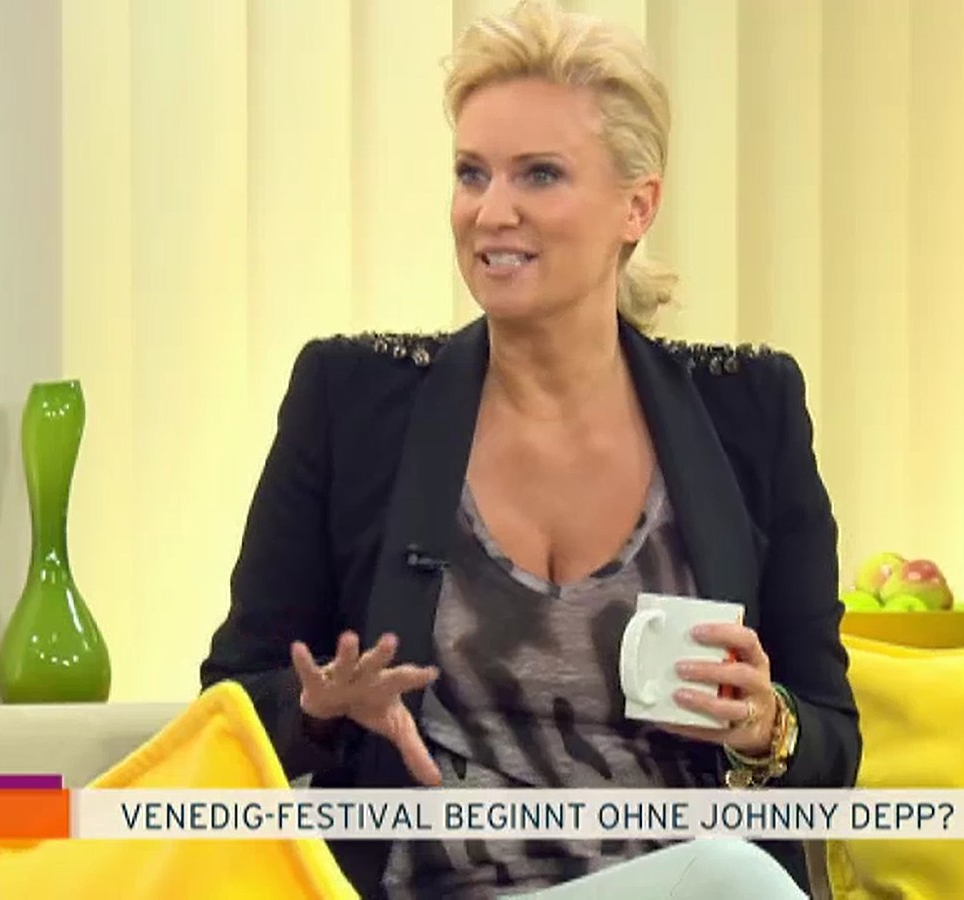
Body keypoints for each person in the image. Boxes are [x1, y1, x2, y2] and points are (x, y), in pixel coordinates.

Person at [198, 1, 861, 896]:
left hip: (679, 879)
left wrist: (765, 728)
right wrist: (317, 710)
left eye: (539, 175)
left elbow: (832, 745)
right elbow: (228, 712)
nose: (492, 211)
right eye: (471, 174)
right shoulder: (351, 403)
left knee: (728, 875)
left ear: (638, 205)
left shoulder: (752, 412)